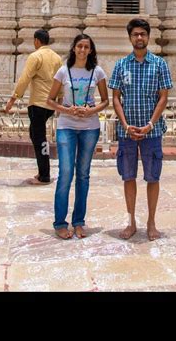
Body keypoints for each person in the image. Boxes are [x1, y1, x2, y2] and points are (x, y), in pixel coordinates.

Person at [109, 18, 173, 241]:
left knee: (153, 177)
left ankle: (151, 222)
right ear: (129, 37)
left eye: (143, 34)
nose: (139, 38)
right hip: (127, 131)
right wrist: (126, 125)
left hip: (152, 131)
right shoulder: (120, 65)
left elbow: (163, 97)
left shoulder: (159, 64)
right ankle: (131, 221)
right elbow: (116, 98)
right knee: (128, 177)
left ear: (148, 36)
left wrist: (150, 125)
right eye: (135, 34)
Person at [47, 34, 109, 240]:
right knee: (65, 173)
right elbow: (50, 100)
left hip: (90, 127)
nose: (82, 50)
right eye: (79, 46)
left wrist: (91, 111)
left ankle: (79, 222)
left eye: (86, 47)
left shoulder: (97, 71)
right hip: (66, 126)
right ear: (74, 48)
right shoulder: (63, 71)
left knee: (83, 174)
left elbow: (105, 101)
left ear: (91, 50)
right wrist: (67, 110)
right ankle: (60, 222)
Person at [5, 29, 62, 185]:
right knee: (37, 135)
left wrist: (13, 99)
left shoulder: (35, 56)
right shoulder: (57, 58)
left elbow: (25, 78)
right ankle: (42, 170)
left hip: (38, 104)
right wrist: (60, 102)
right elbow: (61, 80)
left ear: (37, 41)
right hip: (50, 104)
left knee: (39, 138)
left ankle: (45, 175)